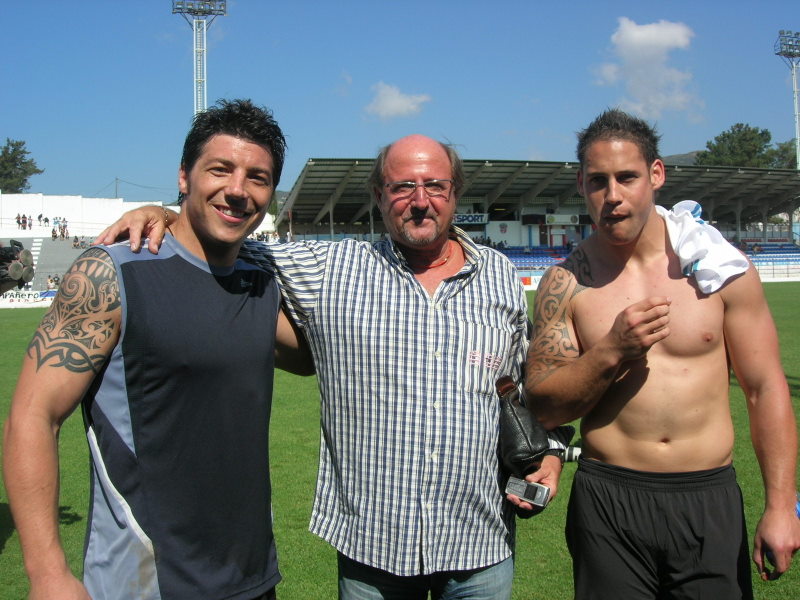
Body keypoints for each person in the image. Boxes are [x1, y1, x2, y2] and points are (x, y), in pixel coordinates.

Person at [95, 134, 566, 600]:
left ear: (455, 193)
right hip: (373, 550)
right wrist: (169, 215)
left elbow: (534, 385)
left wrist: (552, 451)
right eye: (403, 186)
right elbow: (217, 240)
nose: (420, 201)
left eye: (435, 186)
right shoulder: (331, 269)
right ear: (379, 195)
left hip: (480, 544)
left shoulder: (500, 276)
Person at [3, 99, 313, 600]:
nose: (238, 189)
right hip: (144, 582)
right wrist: (47, 573)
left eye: (257, 178)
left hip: (253, 580)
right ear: (184, 176)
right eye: (220, 169)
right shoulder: (111, 273)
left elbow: (316, 358)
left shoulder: (261, 287)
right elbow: (33, 416)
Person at [524, 108, 800, 599]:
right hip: (608, 500)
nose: (612, 196)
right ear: (581, 185)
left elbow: (764, 388)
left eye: (627, 177)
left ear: (656, 174)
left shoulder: (720, 271)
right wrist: (611, 350)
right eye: (597, 181)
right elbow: (544, 407)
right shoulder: (566, 283)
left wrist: (780, 505)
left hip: (707, 495)